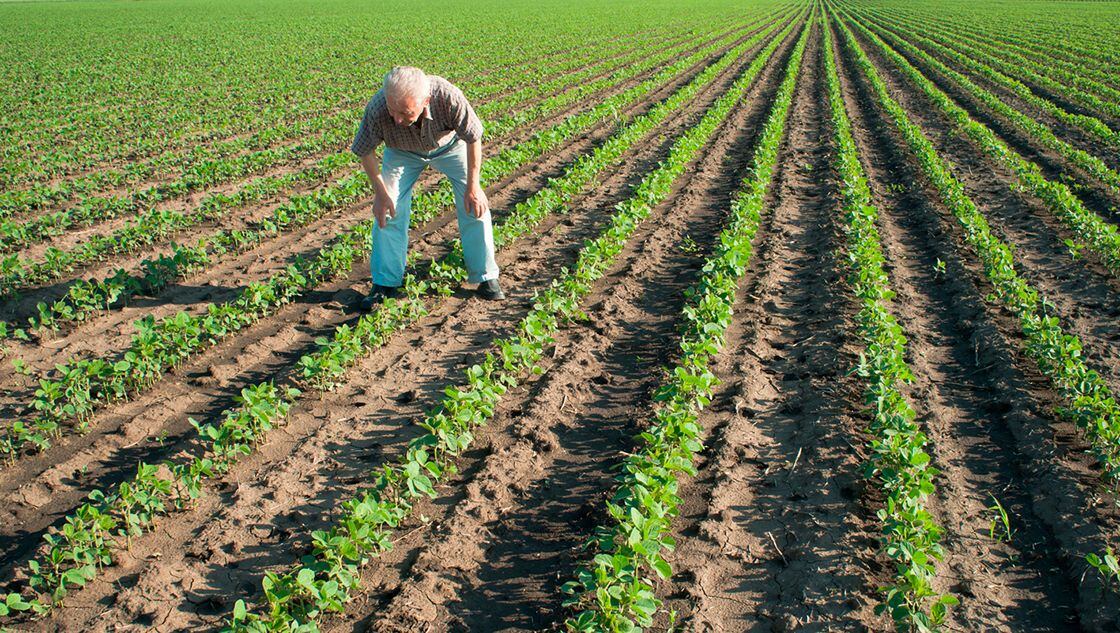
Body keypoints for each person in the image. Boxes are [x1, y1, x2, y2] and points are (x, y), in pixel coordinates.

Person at [350, 66, 503, 311]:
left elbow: (473, 137)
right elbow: (364, 150)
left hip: (449, 147)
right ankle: (384, 284)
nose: (397, 119)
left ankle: (485, 275)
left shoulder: (447, 96)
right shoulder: (379, 107)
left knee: (474, 203)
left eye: (405, 112)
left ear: (426, 101)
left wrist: (473, 185)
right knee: (388, 210)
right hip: (401, 152)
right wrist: (380, 192)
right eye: (393, 111)